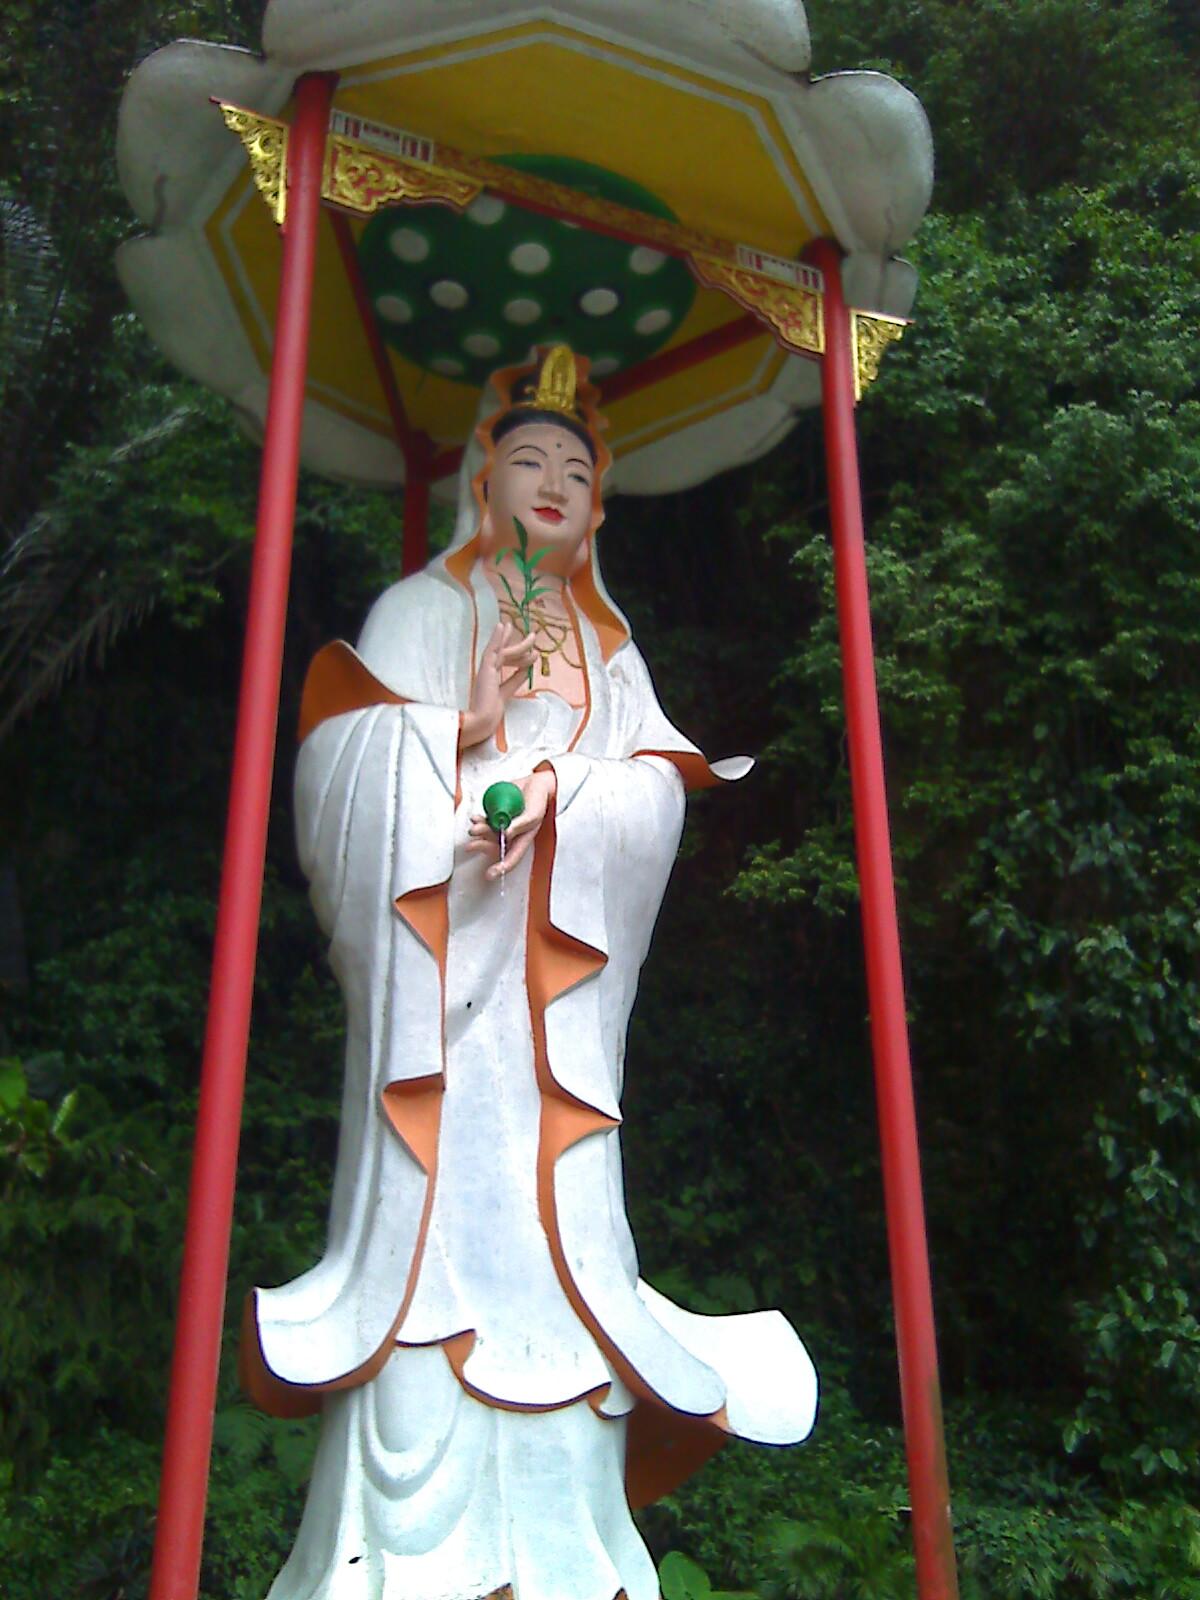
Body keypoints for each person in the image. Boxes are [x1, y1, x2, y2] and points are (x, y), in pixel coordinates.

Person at [242, 347, 817, 1600]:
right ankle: (386, 1563)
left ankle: (568, 1556)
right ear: (480, 482)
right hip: (439, 1012)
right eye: (529, 459)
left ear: (600, 501)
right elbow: (336, 785)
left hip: (554, 1029)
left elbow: (658, 795)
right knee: (435, 1269)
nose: (553, 481)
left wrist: (561, 790)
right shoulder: (421, 614)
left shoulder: (613, 659)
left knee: (557, 1279)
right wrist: (451, 732)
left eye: (577, 466)